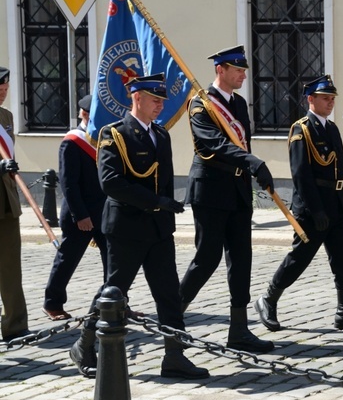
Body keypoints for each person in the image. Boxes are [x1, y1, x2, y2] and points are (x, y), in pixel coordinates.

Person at [69, 73, 209, 379]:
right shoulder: (114, 134)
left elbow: (165, 179)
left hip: (158, 229)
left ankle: (174, 356)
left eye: (162, 101)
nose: (160, 106)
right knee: (115, 291)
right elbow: (111, 183)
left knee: (168, 293)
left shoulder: (161, 135)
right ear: (137, 98)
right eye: (155, 100)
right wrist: (156, 201)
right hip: (126, 228)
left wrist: (165, 208)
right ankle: (84, 344)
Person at [179, 45, 274, 353]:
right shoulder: (200, 104)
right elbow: (215, 143)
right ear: (220, 70)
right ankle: (172, 317)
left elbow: (241, 140)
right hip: (210, 189)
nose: (243, 75)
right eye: (238, 70)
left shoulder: (239, 103)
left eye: (244, 70)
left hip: (237, 190)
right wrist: (252, 162)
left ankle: (239, 329)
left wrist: (251, 169)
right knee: (207, 258)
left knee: (241, 259)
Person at [255, 75, 343, 332]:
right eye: (325, 98)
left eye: (332, 98)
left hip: (336, 205)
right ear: (310, 99)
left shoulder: (332, 128)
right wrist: (315, 210)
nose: (330, 103)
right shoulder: (301, 130)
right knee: (300, 257)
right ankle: (268, 299)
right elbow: (301, 175)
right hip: (313, 208)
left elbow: (342, 169)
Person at [42, 95, 108, 321]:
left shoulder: (103, 138)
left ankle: (115, 302)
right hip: (80, 214)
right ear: (84, 114)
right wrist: (80, 215)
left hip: (105, 212)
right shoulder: (72, 142)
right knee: (67, 259)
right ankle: (53, 303)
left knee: (115, 260)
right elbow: (68, 183)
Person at [0, 66, 32, 342]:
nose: (2, 92)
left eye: (5, 88)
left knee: (10, 266)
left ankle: (15, 325)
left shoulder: (6, 117)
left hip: (7, 202)